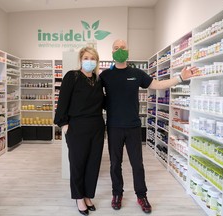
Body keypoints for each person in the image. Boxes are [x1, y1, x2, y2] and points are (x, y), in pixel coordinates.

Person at [100, 39, 198, 213]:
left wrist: (180, 78)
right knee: (115, 164)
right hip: (114, 126)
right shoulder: (105, 75)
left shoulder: (137, 73)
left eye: (123, 47)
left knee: (137, 164)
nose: (119, 50)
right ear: (112, 51)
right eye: (116, 48)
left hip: (133, 127)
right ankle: (117, 194)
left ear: (128, 50)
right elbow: (93, 96)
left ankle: (141, 195)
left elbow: (159, 85)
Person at [54, 46, 105, 216]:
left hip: (97, 127)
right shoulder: (72, 76)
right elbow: (62, 102)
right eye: (86, 58)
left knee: (93, 163)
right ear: (81, 59)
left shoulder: (98, 80)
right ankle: (78, 197)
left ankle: (88, 195)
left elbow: (103, 103)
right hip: (77, 127)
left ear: (96, 61)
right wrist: (64, 125)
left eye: (93, 58)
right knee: (78, 163)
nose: (89, 61)